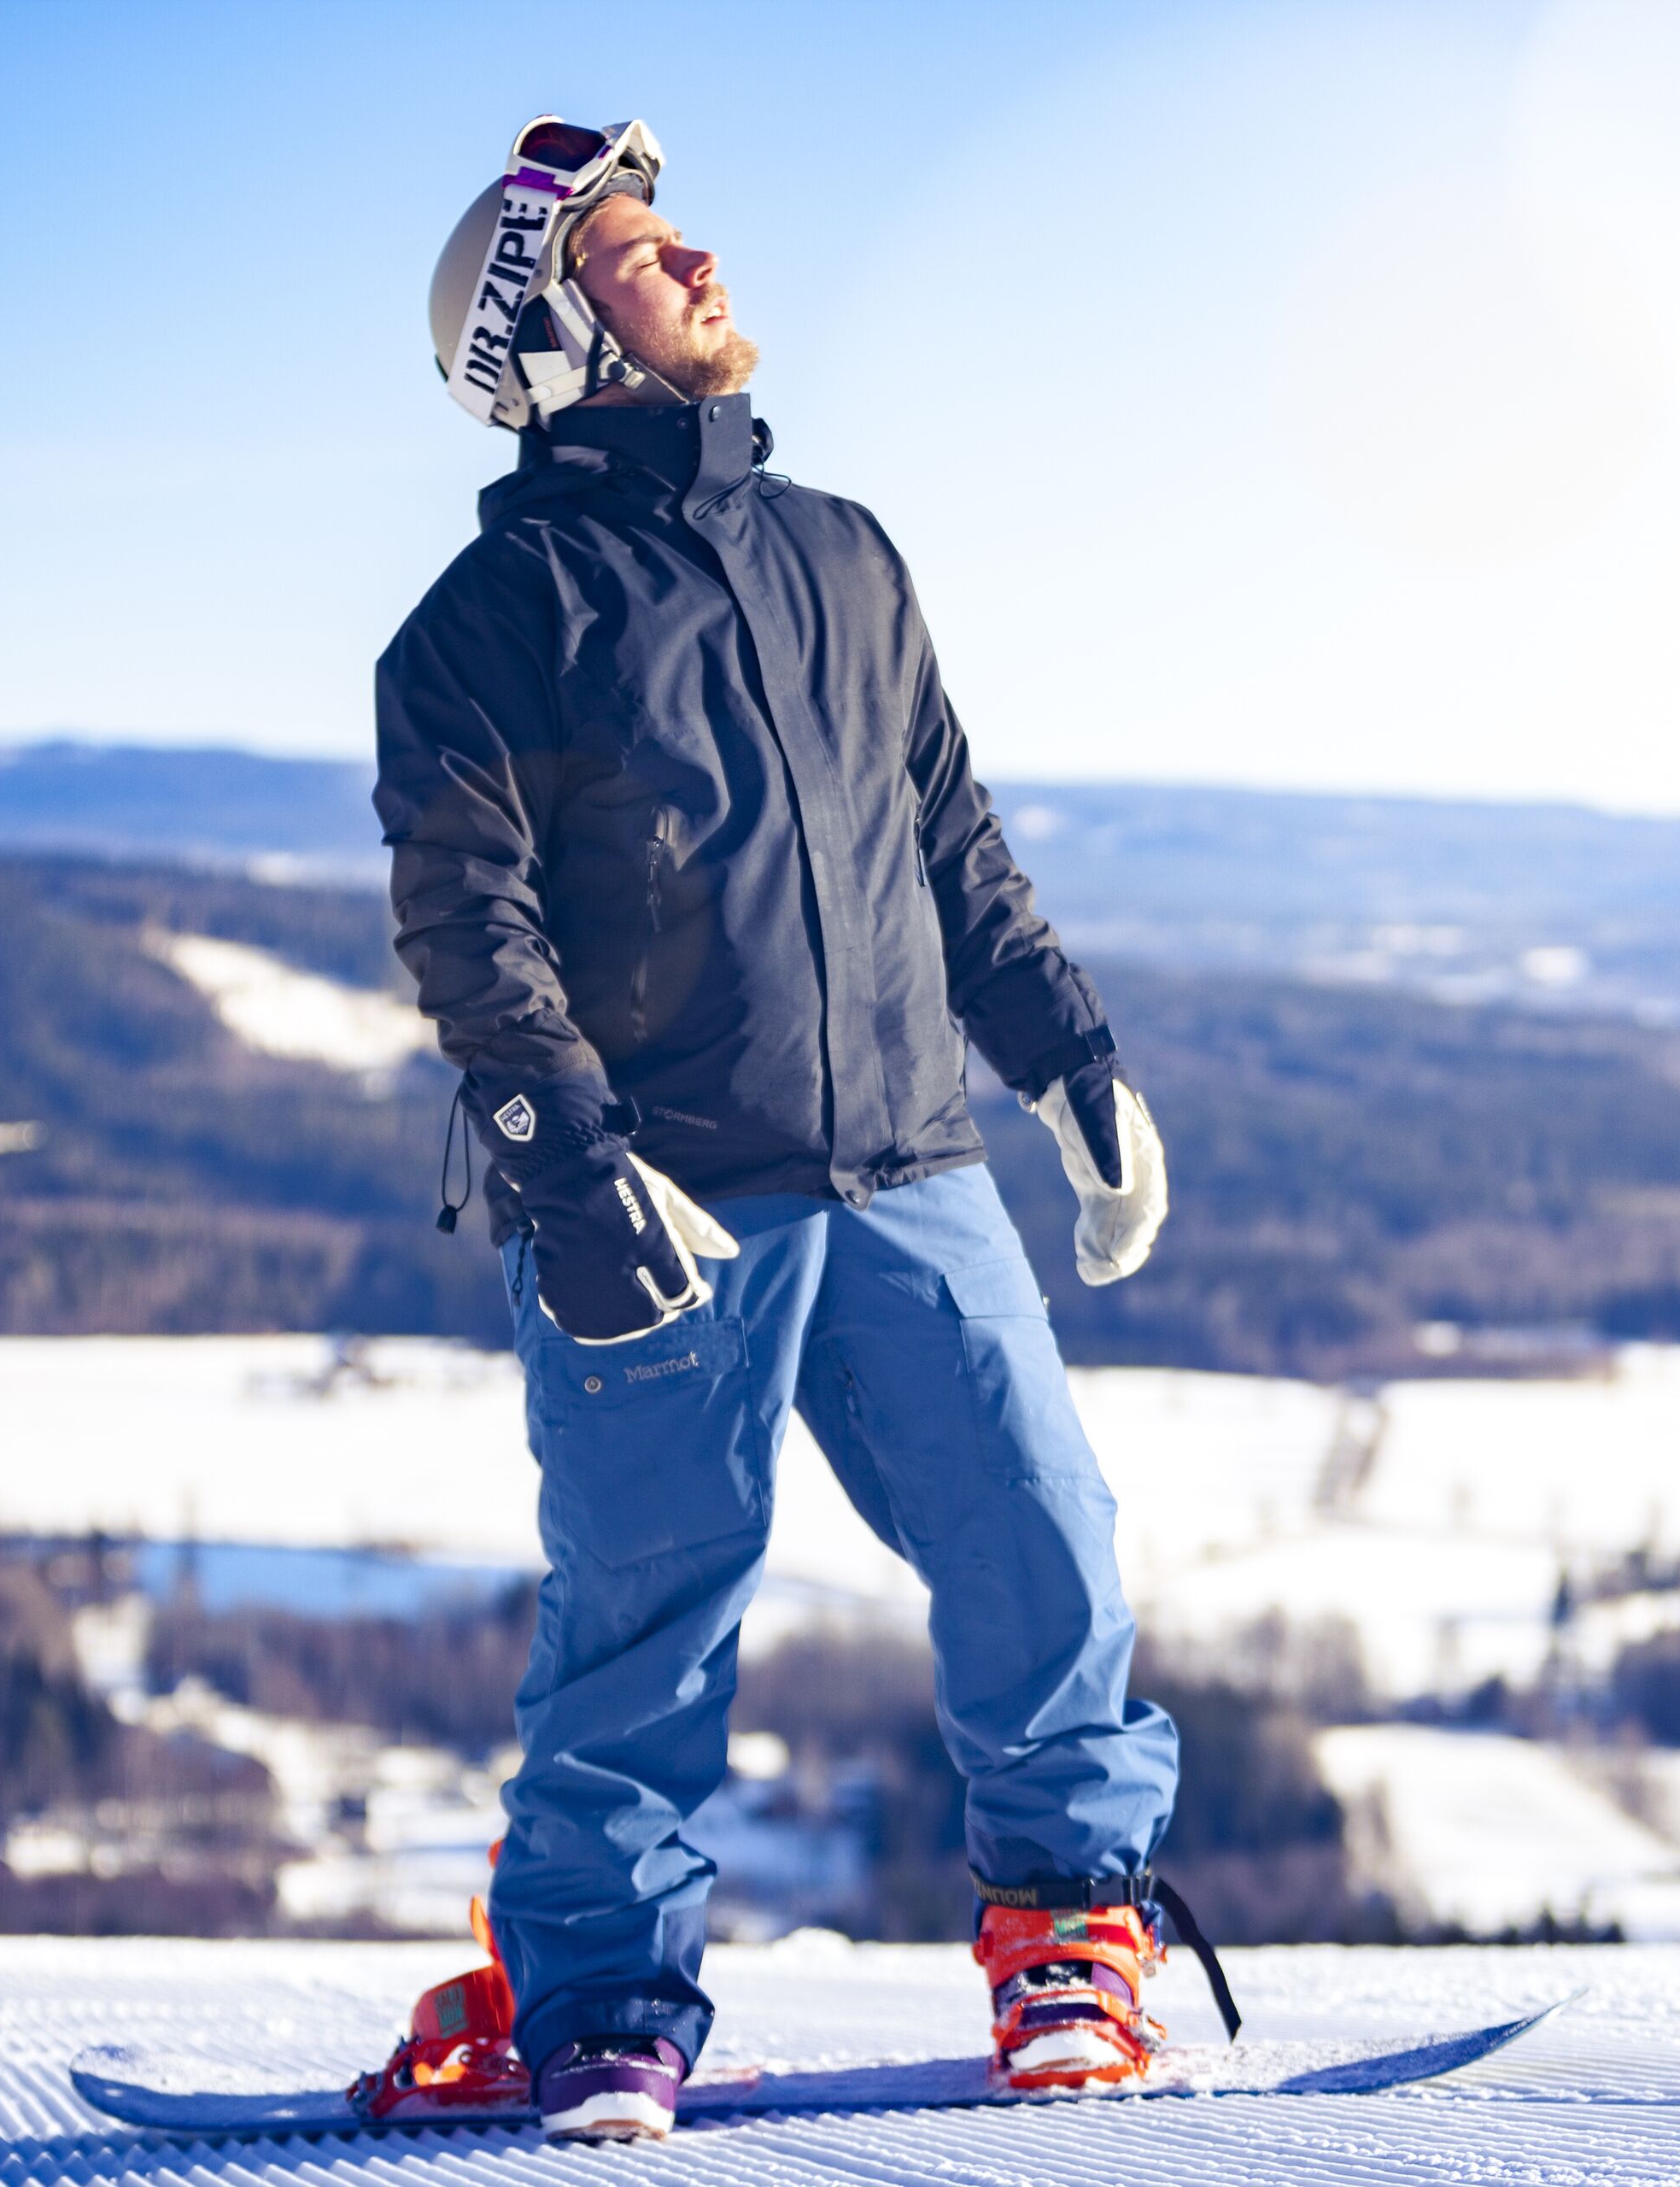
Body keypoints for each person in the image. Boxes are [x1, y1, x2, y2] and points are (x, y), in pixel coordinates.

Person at [372, 115, 1189, 2143]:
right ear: (552, 334)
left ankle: (1072, 1929)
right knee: (646, 1621)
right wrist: (570, 1163)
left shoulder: (844, 551)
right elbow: (470, 925)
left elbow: (949, 841)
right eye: (643, 254)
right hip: (663, 1199)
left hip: (910, 1156)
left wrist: (1068, 1061)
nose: (703, 263)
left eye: (682, 236)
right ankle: (599, 2003)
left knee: (1042, 1545)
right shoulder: (487, 620)